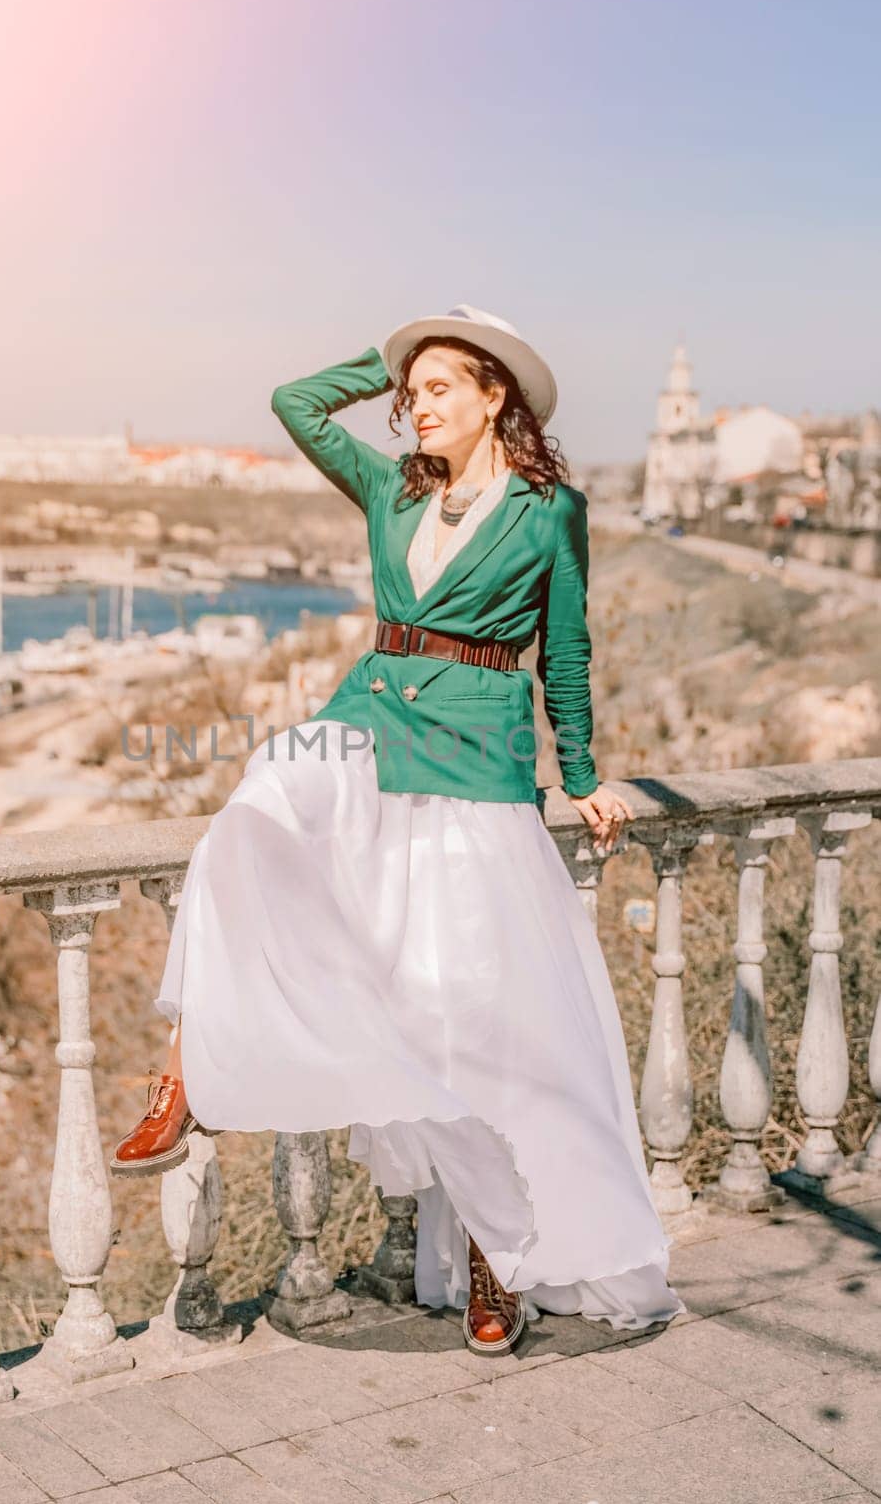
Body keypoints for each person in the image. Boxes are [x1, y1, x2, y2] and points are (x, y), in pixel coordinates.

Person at [111, 303, 684, 1354]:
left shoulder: (550, 509)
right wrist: (388, 355)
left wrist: (586, 773)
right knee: (246, 822)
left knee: (472, 1017)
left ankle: (495, 1259)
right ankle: (189, 1068)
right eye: (406, 394)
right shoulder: (390, 486)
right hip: (366, 722)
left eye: (435, 390)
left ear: (491, 395)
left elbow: (565, 649)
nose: (412, 409)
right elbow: (295, 405)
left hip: (478, 757)